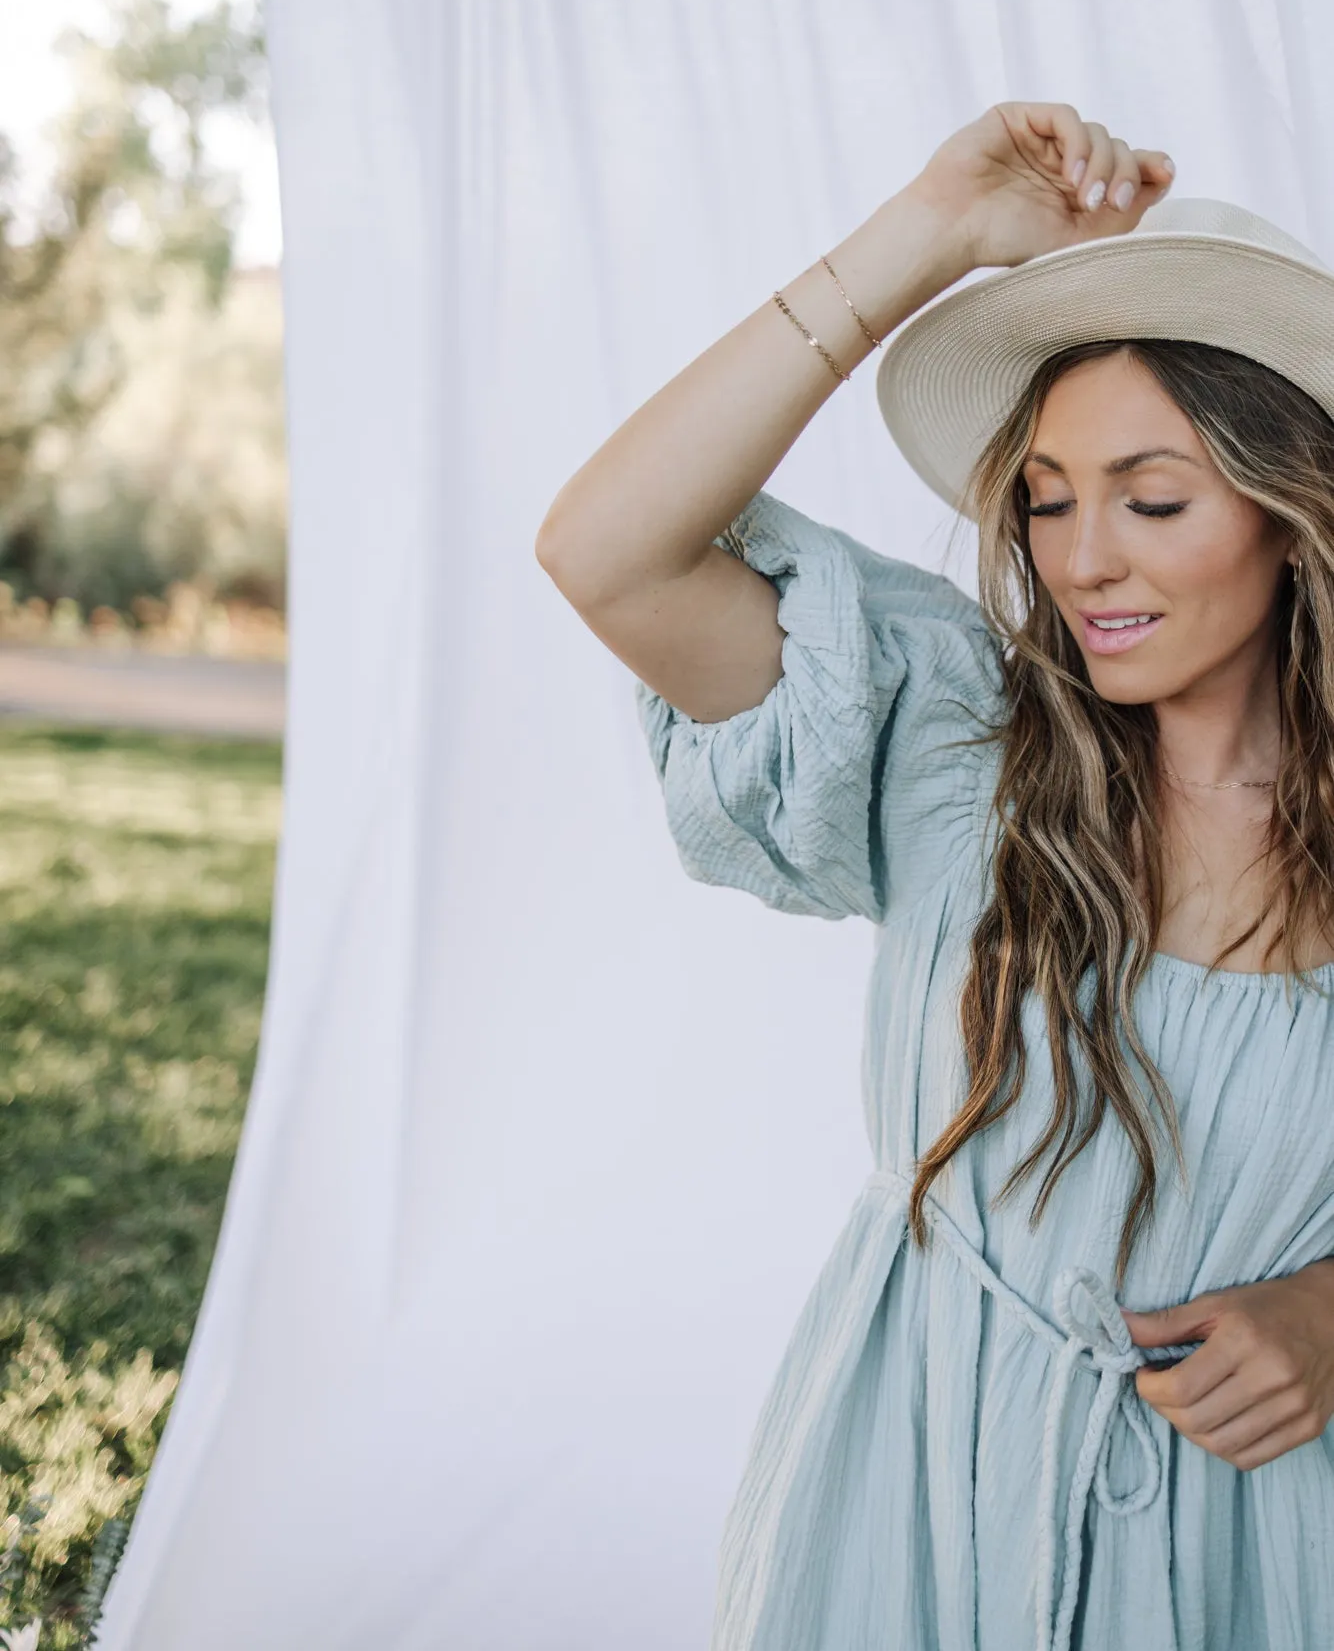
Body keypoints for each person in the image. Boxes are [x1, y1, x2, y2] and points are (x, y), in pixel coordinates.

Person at [533, 101, 1334, 1651]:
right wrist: (927, 233)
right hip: (917, 1486)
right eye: (1042, 498)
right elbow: (607, 549)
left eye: (1150, 499)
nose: (1079, 556)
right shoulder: (955, 733)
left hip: (1266, 1535)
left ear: (1287, 515)